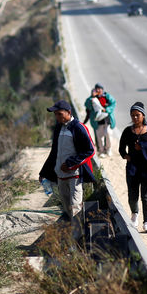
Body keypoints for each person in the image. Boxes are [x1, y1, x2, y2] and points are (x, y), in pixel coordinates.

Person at [39, 100, 96, 243]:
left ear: (68, 113)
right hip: (60, 176)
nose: (57, 117)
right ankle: (75, 235)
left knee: (76, 206)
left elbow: (90, 150)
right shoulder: (58, 128)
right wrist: (44, 172)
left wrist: (70, 163)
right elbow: (54, 152)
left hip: (75, 175)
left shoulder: (78, 127)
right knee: (67, 208)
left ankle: (76, 240)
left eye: (59, 114)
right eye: (55, 115)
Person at [118, 102, 147, 232]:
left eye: (137, 115)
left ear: (143, 115)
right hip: (132, 168)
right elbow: (121, 148)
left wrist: (142, 147)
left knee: (146, 196)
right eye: (132, 115)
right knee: (132, 194)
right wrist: (126, 156)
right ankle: (134, 214)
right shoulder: (127, 131)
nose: (135, 118)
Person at [83, 83, 116, 157]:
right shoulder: (92, 98)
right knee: (99, 136)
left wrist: (107, 109)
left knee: (108, 134)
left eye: (99, 89)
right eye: (96, 89)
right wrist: (92, 97)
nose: (98, 90)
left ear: (102, 89)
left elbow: (113, 103)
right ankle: (101, 151)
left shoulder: (107, 96)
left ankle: (108, 149)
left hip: (107, 119)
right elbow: (87, 105)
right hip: (97, 120)